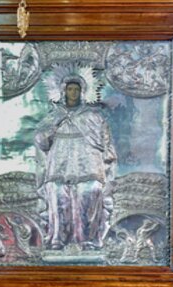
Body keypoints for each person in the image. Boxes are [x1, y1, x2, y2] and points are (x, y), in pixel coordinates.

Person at [34, 71, 117, 251]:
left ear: (83, 92)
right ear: (63, 91)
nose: (73, 93)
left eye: (76, 89)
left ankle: (87, 239)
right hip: (59, 167)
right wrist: (56, 124)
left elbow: (105, 143)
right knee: (58, 199)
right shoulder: (54, 116)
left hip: (88, 166)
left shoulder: (93, 116)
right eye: (70, 89)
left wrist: (106, 165)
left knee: (87, 199)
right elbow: (41, 141)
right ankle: (58, 238)